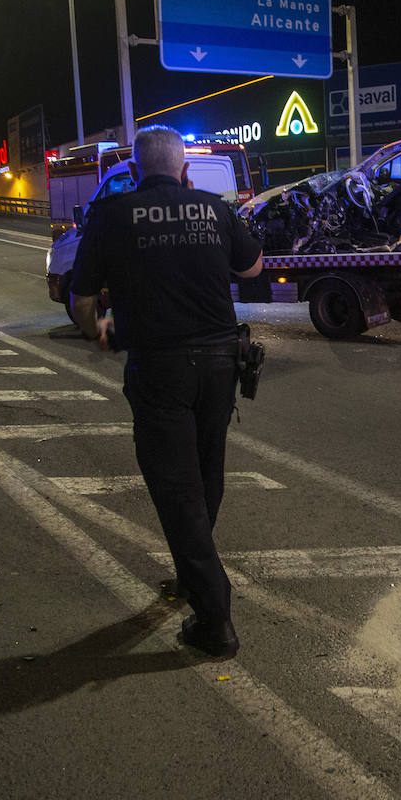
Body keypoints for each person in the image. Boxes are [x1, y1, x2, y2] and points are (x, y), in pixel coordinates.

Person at [71, 124, 263, 659]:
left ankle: (215, 616)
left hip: (161, 369)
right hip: (222, 364)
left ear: (134, 171)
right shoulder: (215, 208)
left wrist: (99, 333)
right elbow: (252, 267)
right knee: (205, 475)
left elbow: (81, 299)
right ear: (183, 170)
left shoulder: (111, 214)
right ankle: (192, 575)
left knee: (176, 488)